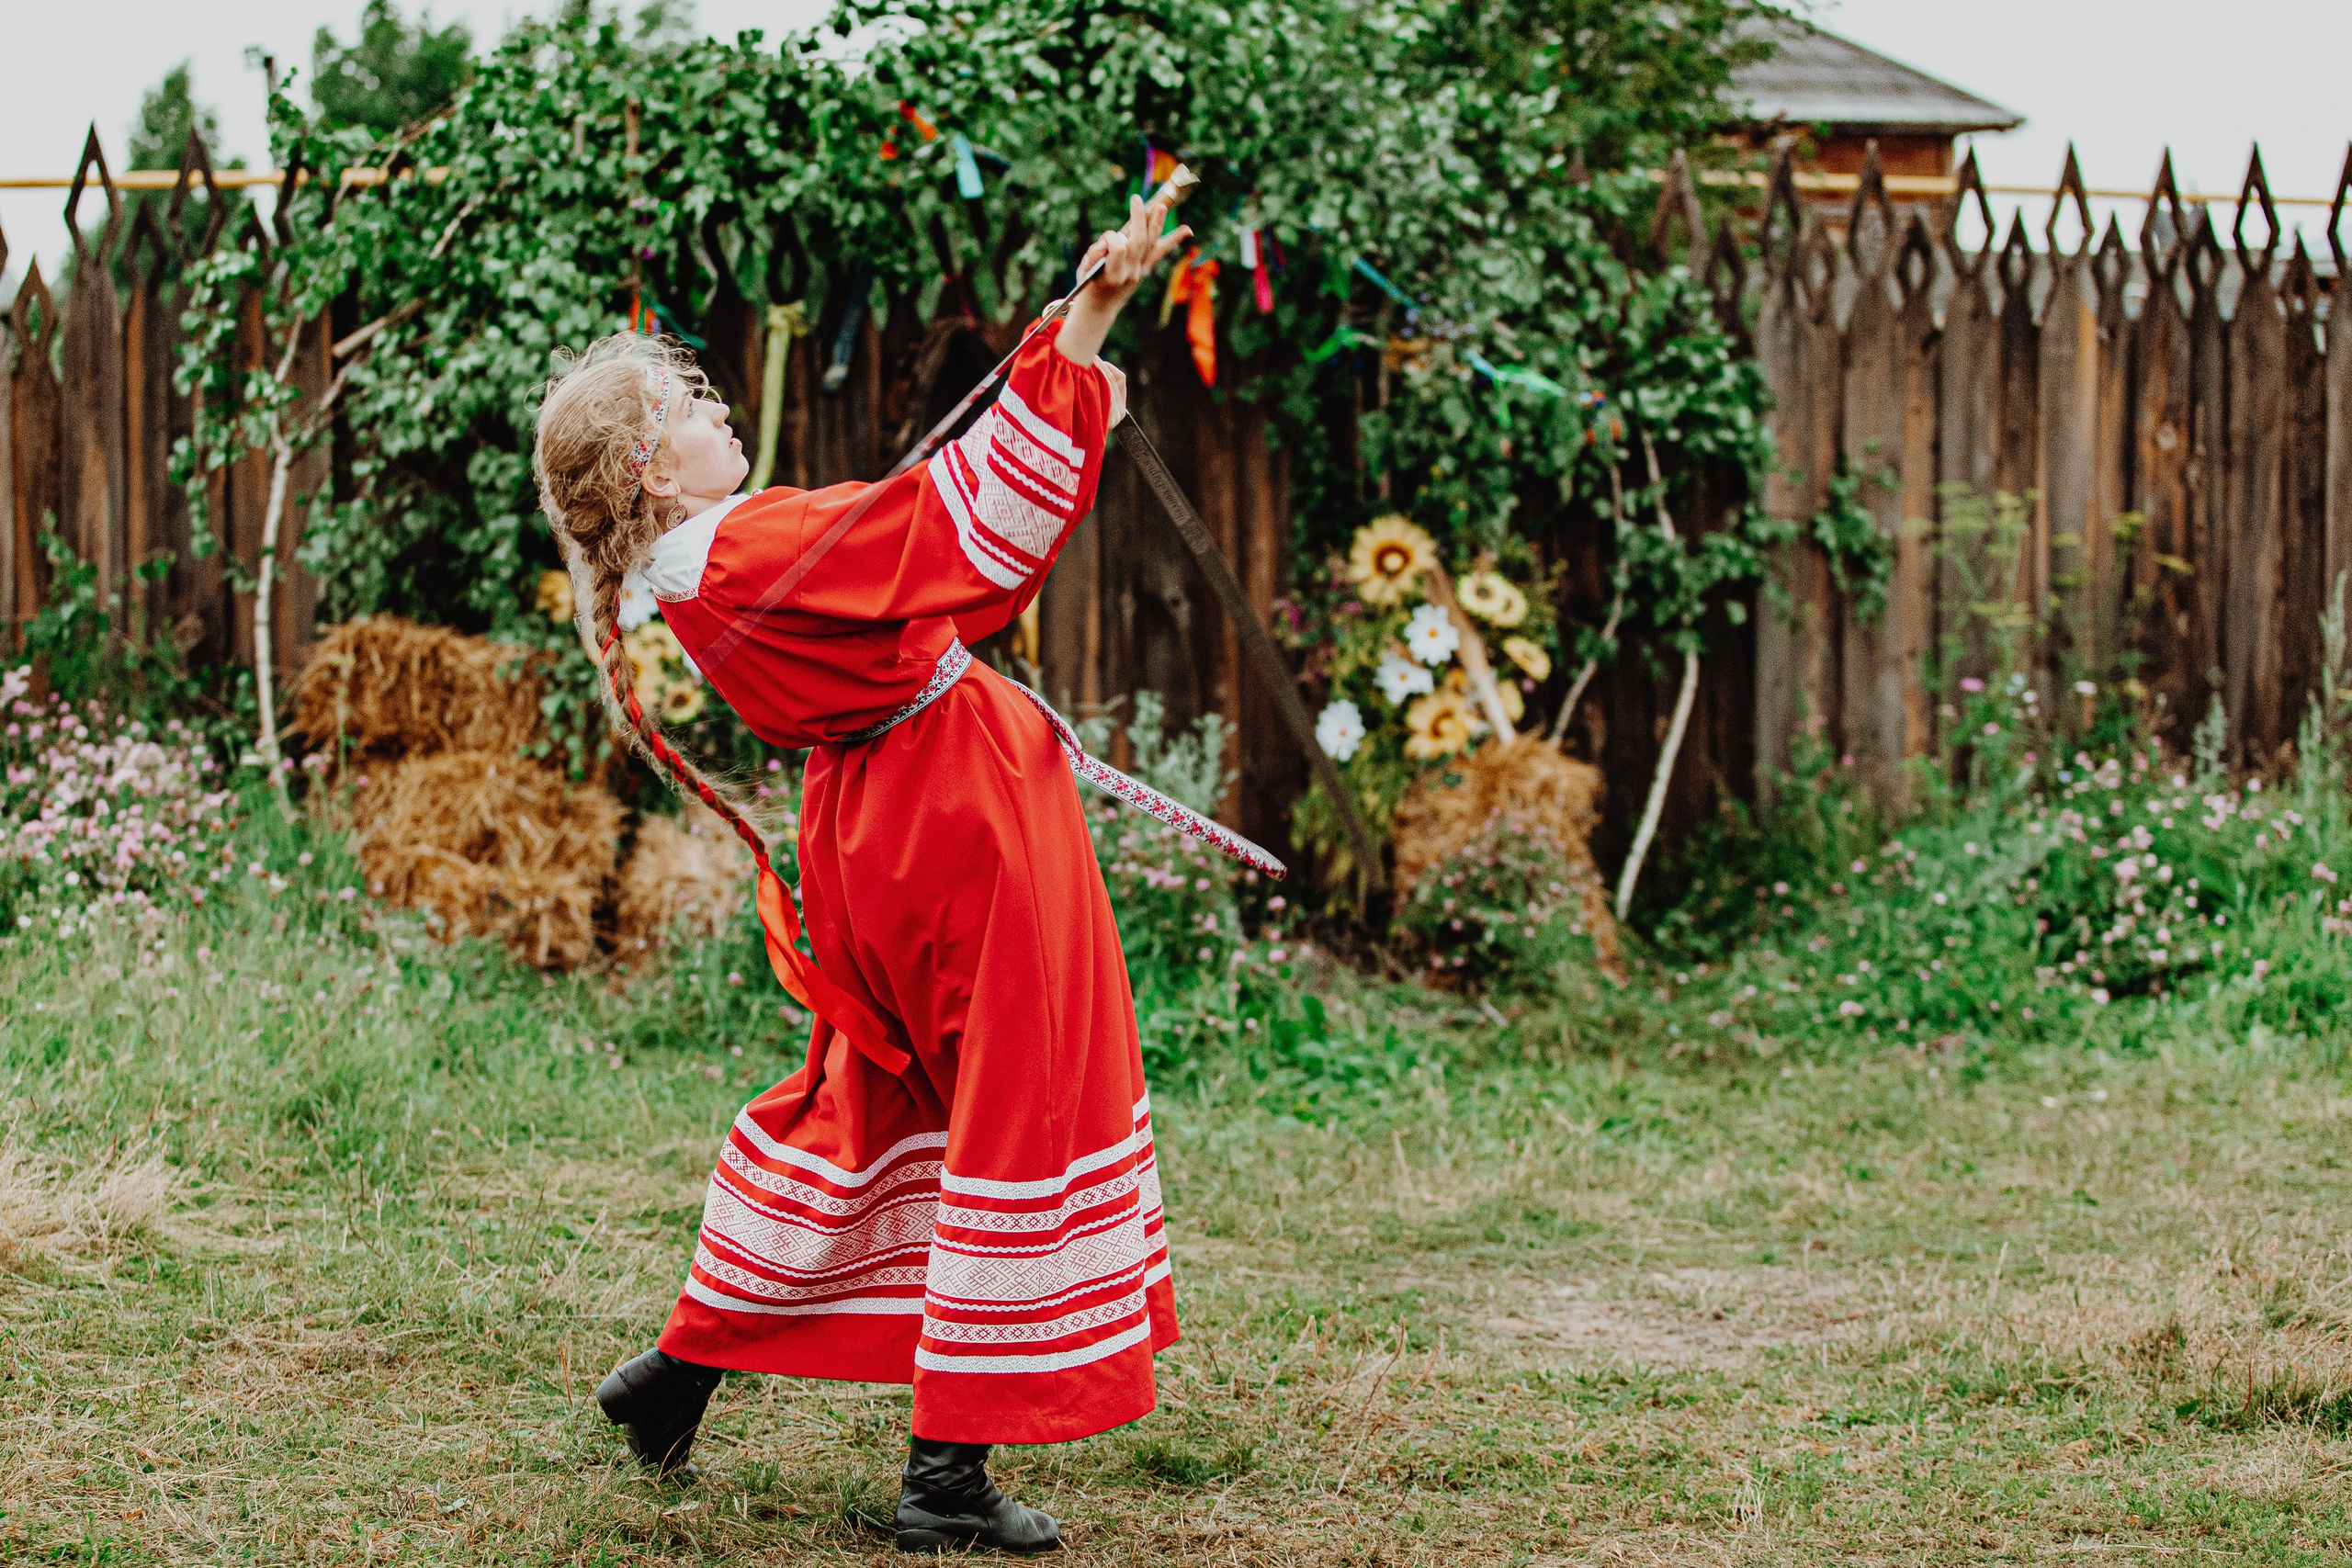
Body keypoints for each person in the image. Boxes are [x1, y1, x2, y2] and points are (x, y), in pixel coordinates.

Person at [533, 188, 1273, 1555]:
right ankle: (944, 1475)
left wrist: (1087, 308)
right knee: (1017, 1094)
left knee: (876, 1100)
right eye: (689, 410)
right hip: (955, 816)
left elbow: (918, 529)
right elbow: (955, 529)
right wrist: (1093, 315)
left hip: (880, 819)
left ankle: (681, 1371)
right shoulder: (743, 549)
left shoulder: (696, 576)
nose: (716, 417)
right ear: (648, 470)